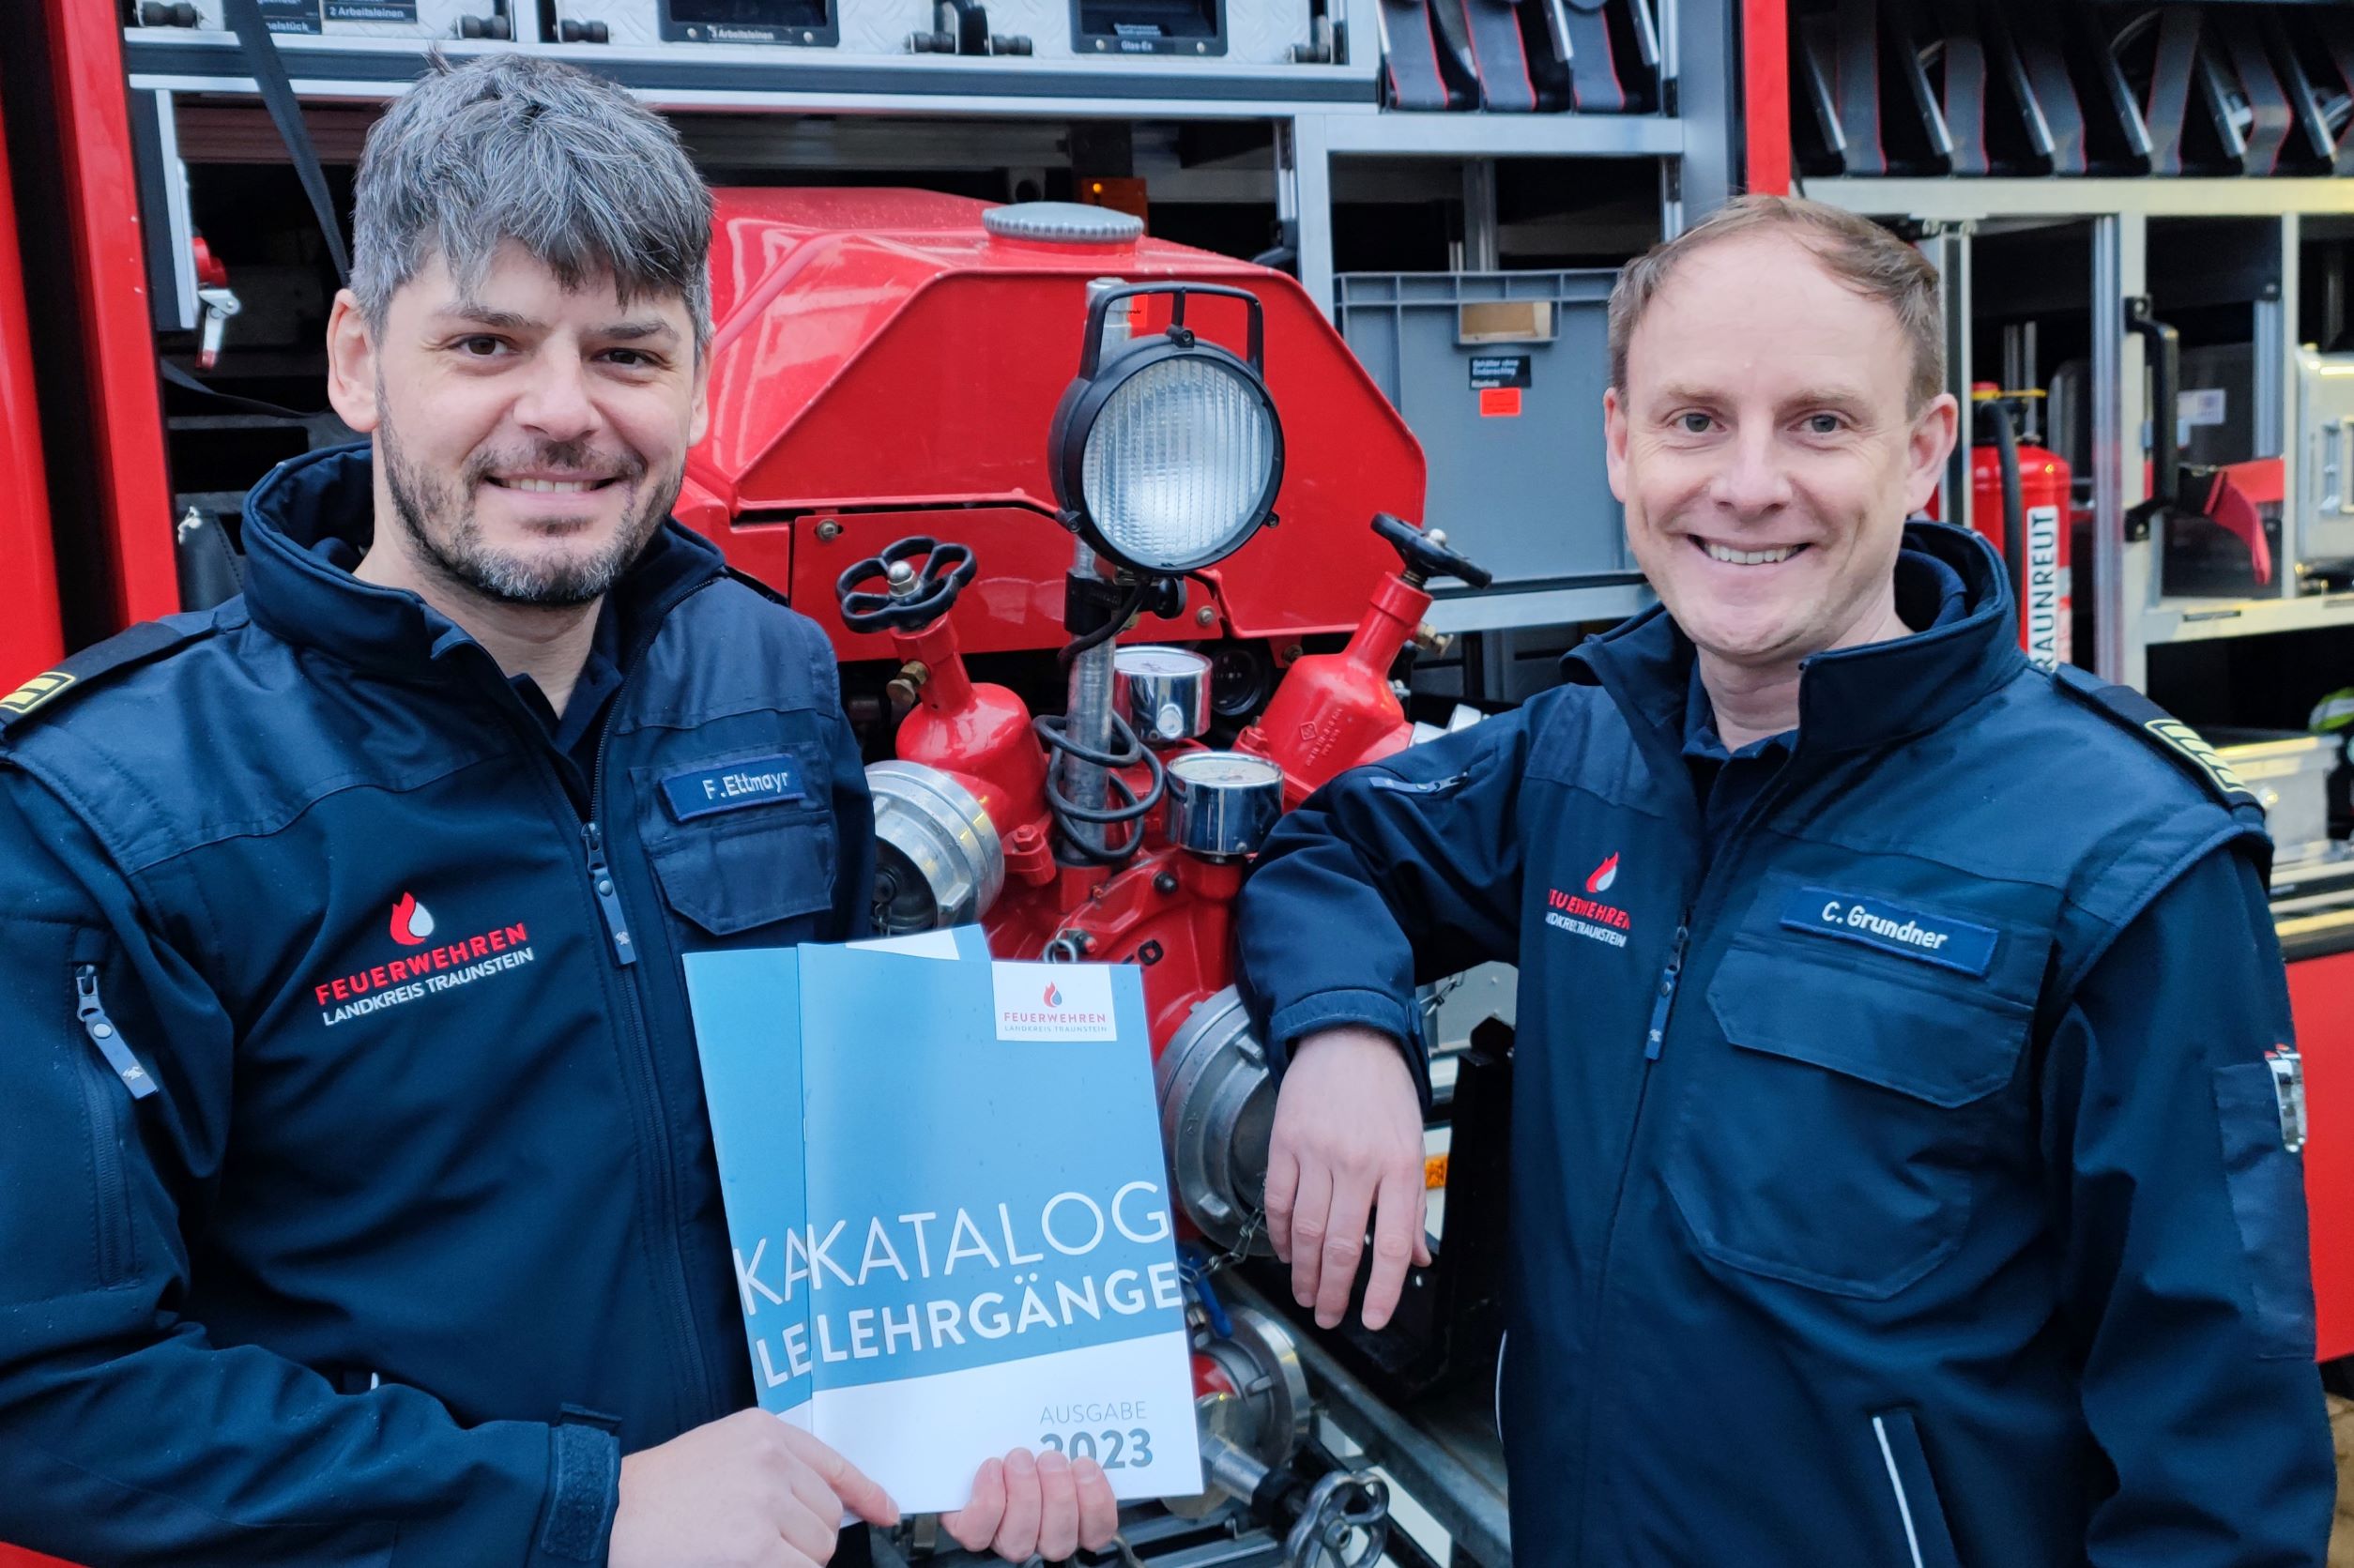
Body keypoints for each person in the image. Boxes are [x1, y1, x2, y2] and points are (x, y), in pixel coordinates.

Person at [0, 53, 1109, 1568]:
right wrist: (578, 1512)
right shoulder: (122, 815)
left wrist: (999, 1399)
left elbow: (867, 1145)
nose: (563, 414)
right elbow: (50, 1395)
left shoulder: (768, 678)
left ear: (700, 376)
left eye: (629, 355)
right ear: (353, 358)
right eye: (485, 343)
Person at [1236, 194, 2336, 1565]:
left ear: (1925, 452)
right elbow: (1327, 849)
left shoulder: (2121, 860)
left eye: (1820, 422)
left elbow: (2221, 1470)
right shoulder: (1589, 746)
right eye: (1696, 420)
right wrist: (1349, 1033)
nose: (1748, 484)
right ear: (1622, 445)